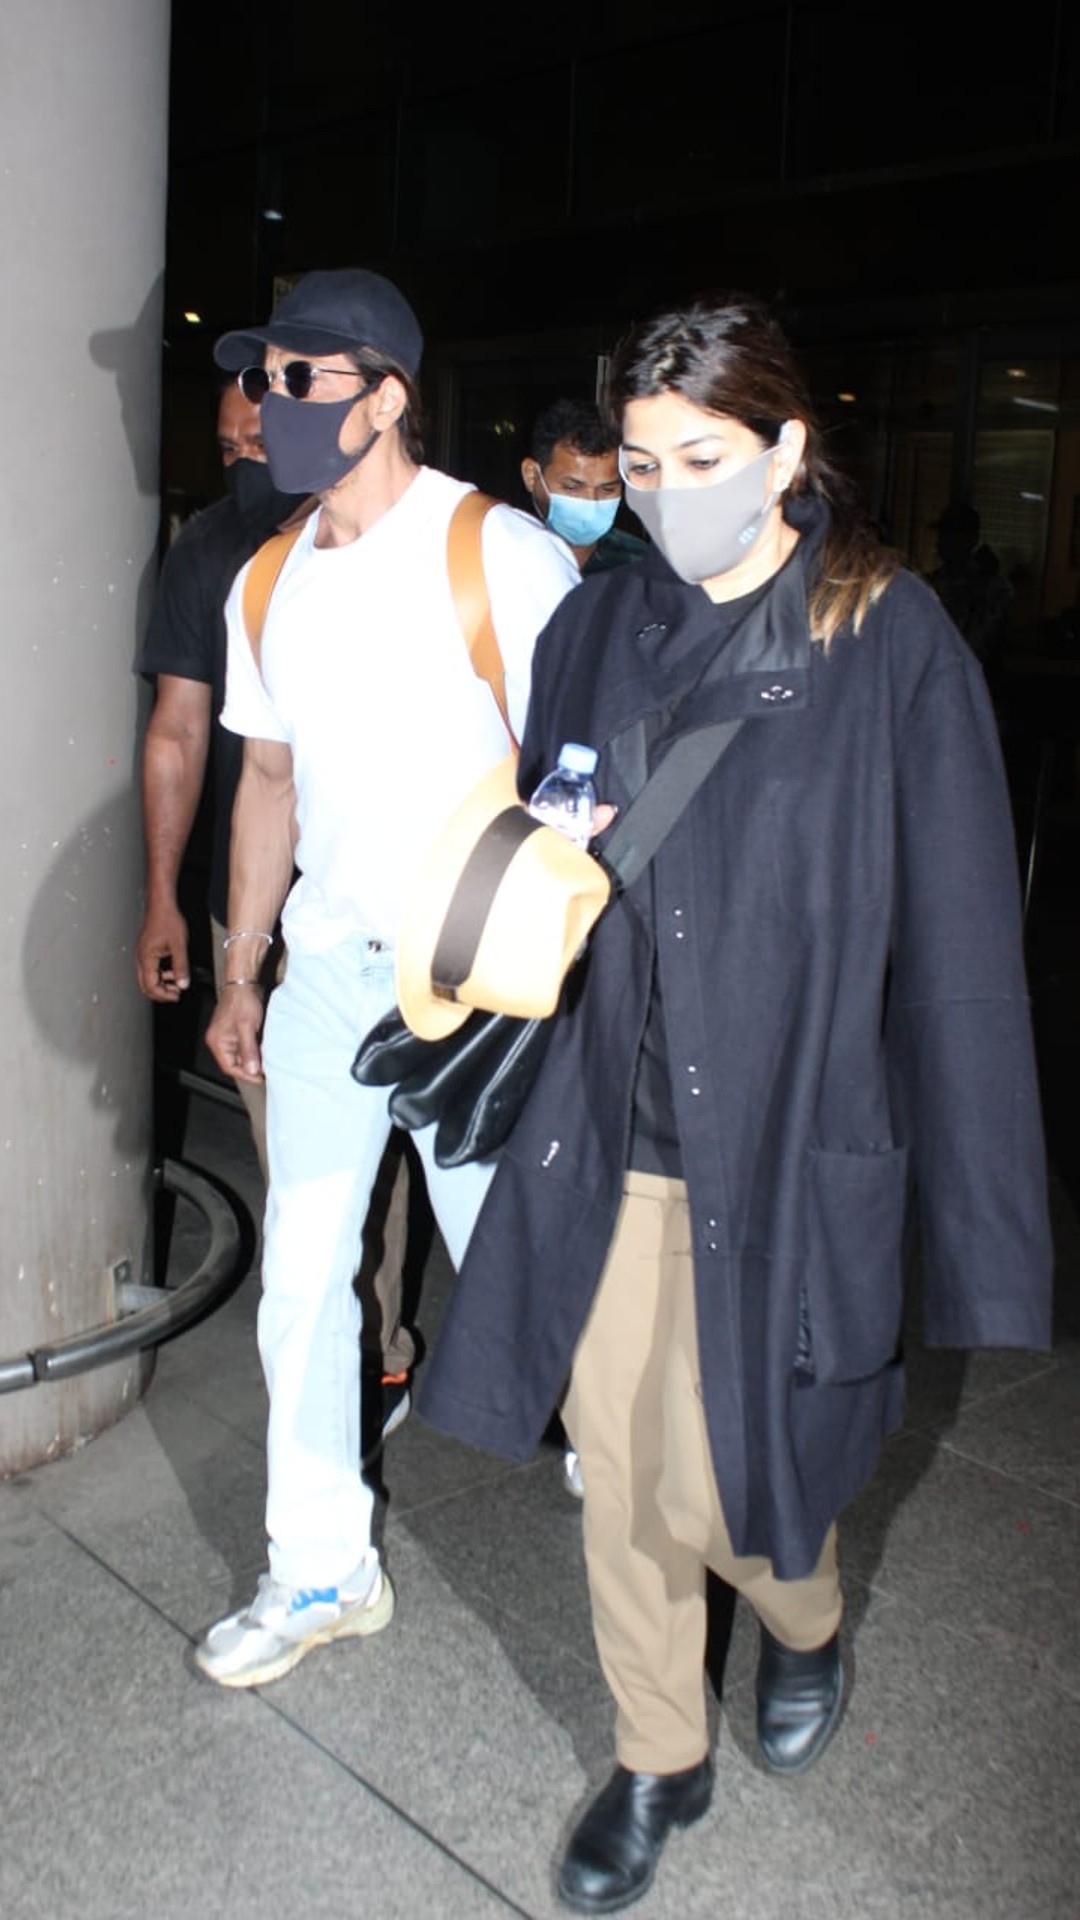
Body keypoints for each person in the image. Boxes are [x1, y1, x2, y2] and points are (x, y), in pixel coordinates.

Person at [420, 294, 1053, 1913]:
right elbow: (557, 839)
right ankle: (657, 1757)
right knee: (625, 1474)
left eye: (702, 458)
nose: (664, 493)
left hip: (794, 1133)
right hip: (614, 1123)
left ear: (788, 446)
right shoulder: (596, 632)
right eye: (638, 466)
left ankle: (804, 1619)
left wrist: (978, 1228)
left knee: (741, 1478)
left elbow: (967, 954)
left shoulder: (888, 641)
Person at [197, 267, 579, 1690]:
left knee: (522, 1264)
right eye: (264, 378)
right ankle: (318, 1568)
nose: (271, 403)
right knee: (304, 1271)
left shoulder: (502, 555)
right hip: (328, 980)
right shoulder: (267, 578)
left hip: (474, 990)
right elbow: (267, 785)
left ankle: (636, 1477)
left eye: (301, 379)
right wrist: (244, 973)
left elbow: (586, 788)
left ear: (388, 395)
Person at [133, 384, 415, 1454]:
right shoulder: (215, 554)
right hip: (259, 914)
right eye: (229, 444)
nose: (250, 457)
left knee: (406, 1152)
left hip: (398, 906)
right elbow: (182, 732)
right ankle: (337, 1374)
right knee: (300, 1160)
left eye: (264, 434)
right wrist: (167, 898)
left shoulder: (398, 539)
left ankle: (384, 1348)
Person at [521, 396, 646, 577]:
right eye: (572, 488)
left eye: (607, 489)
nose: (591, 502)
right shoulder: (503, 556)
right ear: (531, 475)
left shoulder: (641, 566)